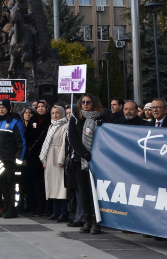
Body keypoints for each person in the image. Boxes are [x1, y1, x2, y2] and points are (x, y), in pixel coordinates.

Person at [67, 94, 109, 235]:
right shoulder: (75, 117)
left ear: (94, 103)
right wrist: (83, 152)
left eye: (88, 102)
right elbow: (72, 137)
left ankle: (97, 223)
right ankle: (87, 221)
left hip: (97, 160)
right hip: (81, 160)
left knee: (95, 192)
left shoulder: (102, 117)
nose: (85, 104)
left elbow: (106, 137)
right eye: (82, 102)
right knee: (84, 191)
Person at [0, 99, 26, 219]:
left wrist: (18, 158)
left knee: (11, 185)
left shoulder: (15, 122)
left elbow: (21, 142)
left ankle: (12, 209)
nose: (1, 109)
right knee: (3, 184)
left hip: (10, 160)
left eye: (3, 107)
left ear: (8, 109)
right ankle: (6, 207)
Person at [40, 105, 69, 222]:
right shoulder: (51, 126)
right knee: (53, 186)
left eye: (57, 113)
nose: (55, 115)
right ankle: (55, 211)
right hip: (50, 157)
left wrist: (61, 160)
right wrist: (44, 159)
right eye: (53, 113)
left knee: (61, 187)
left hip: (57, 158)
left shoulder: (65, 126)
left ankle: (63, 212)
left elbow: (64, 145)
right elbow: (46, 144)